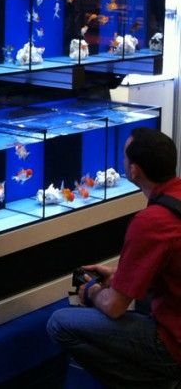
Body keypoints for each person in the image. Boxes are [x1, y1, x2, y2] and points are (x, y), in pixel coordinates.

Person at [47, 127, 181, 388]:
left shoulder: (151, 222)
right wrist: (119, 278)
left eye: (125, 157)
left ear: (134, 171)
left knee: (59, 324)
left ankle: (156, 380)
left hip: (173, 343)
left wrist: (92, 291)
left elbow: (115, 307)